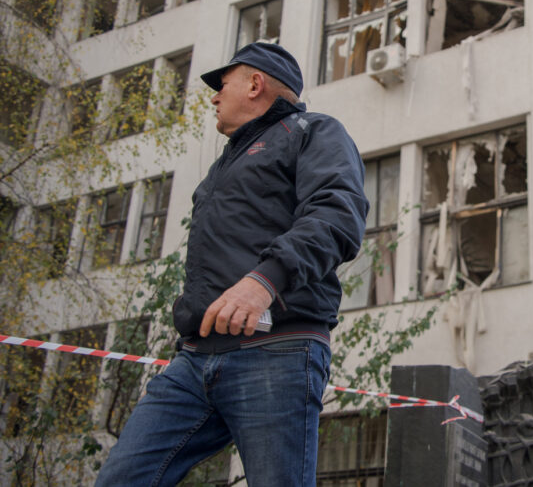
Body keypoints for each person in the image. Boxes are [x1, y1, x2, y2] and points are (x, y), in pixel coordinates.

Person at [96, 42, 368, 486]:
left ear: (255, 84)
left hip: (277, 351)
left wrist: (263, 281)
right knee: (122, 478)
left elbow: (337, 216)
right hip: (195, 360)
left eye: (222, 85)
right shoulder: (222, 167)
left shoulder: (313, 132)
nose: (214, 97)